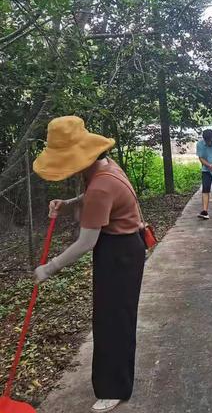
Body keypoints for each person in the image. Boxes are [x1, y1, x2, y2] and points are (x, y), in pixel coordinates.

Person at [32, 116, 145, 412]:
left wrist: (49, 268)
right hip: (123, 248)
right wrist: (69, 203)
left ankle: (115, 388)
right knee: (111, 318)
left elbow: (85, 242)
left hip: (118, 253)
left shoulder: (100, 189)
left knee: (113, 322)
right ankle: (115, 379)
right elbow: (94, 194)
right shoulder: (105, 168)